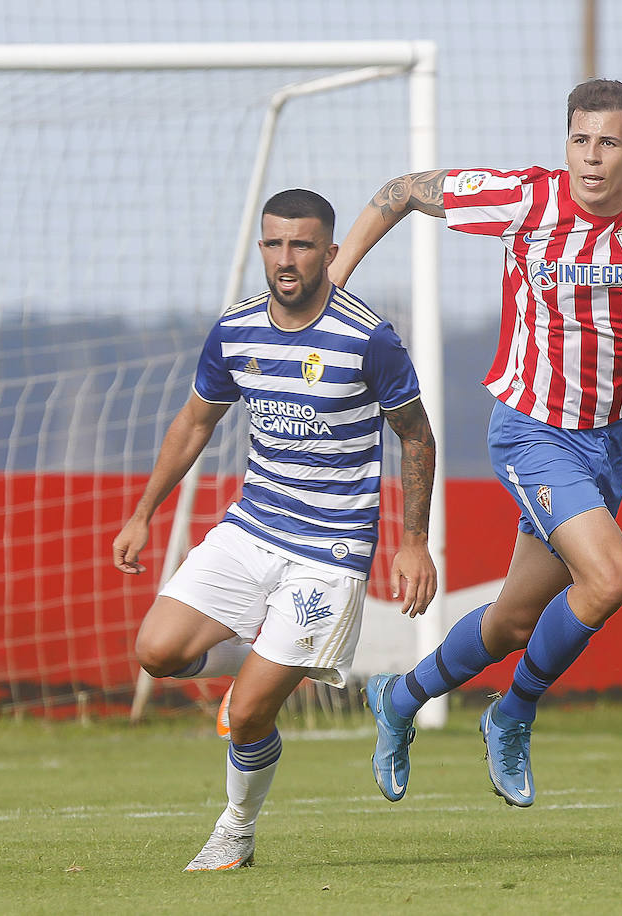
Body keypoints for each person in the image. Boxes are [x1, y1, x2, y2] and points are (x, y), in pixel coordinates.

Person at [329, 79, 622, 808]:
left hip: (610, 438)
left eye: (609, 143)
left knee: (512, 620)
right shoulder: (527, 198)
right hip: (532, 431)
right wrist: (334, 288)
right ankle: (513, 713)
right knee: (610, 577)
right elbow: (401, 190)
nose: (591, 160)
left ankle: (400, 698)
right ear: (566, 143)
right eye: (580, 141)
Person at [113, 188, 437, 869]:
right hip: (252, 526)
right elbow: (195, 422)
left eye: (301, 244)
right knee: (156, 651)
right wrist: (144, 513)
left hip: (330, 549)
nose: (285, 259)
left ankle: (236, 828)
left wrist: (413, 542)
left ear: (328, 251)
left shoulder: (368, 339)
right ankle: (268, 656)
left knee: (249, 711)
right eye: (274, 243)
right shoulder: (236, 328)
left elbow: (416, 437)